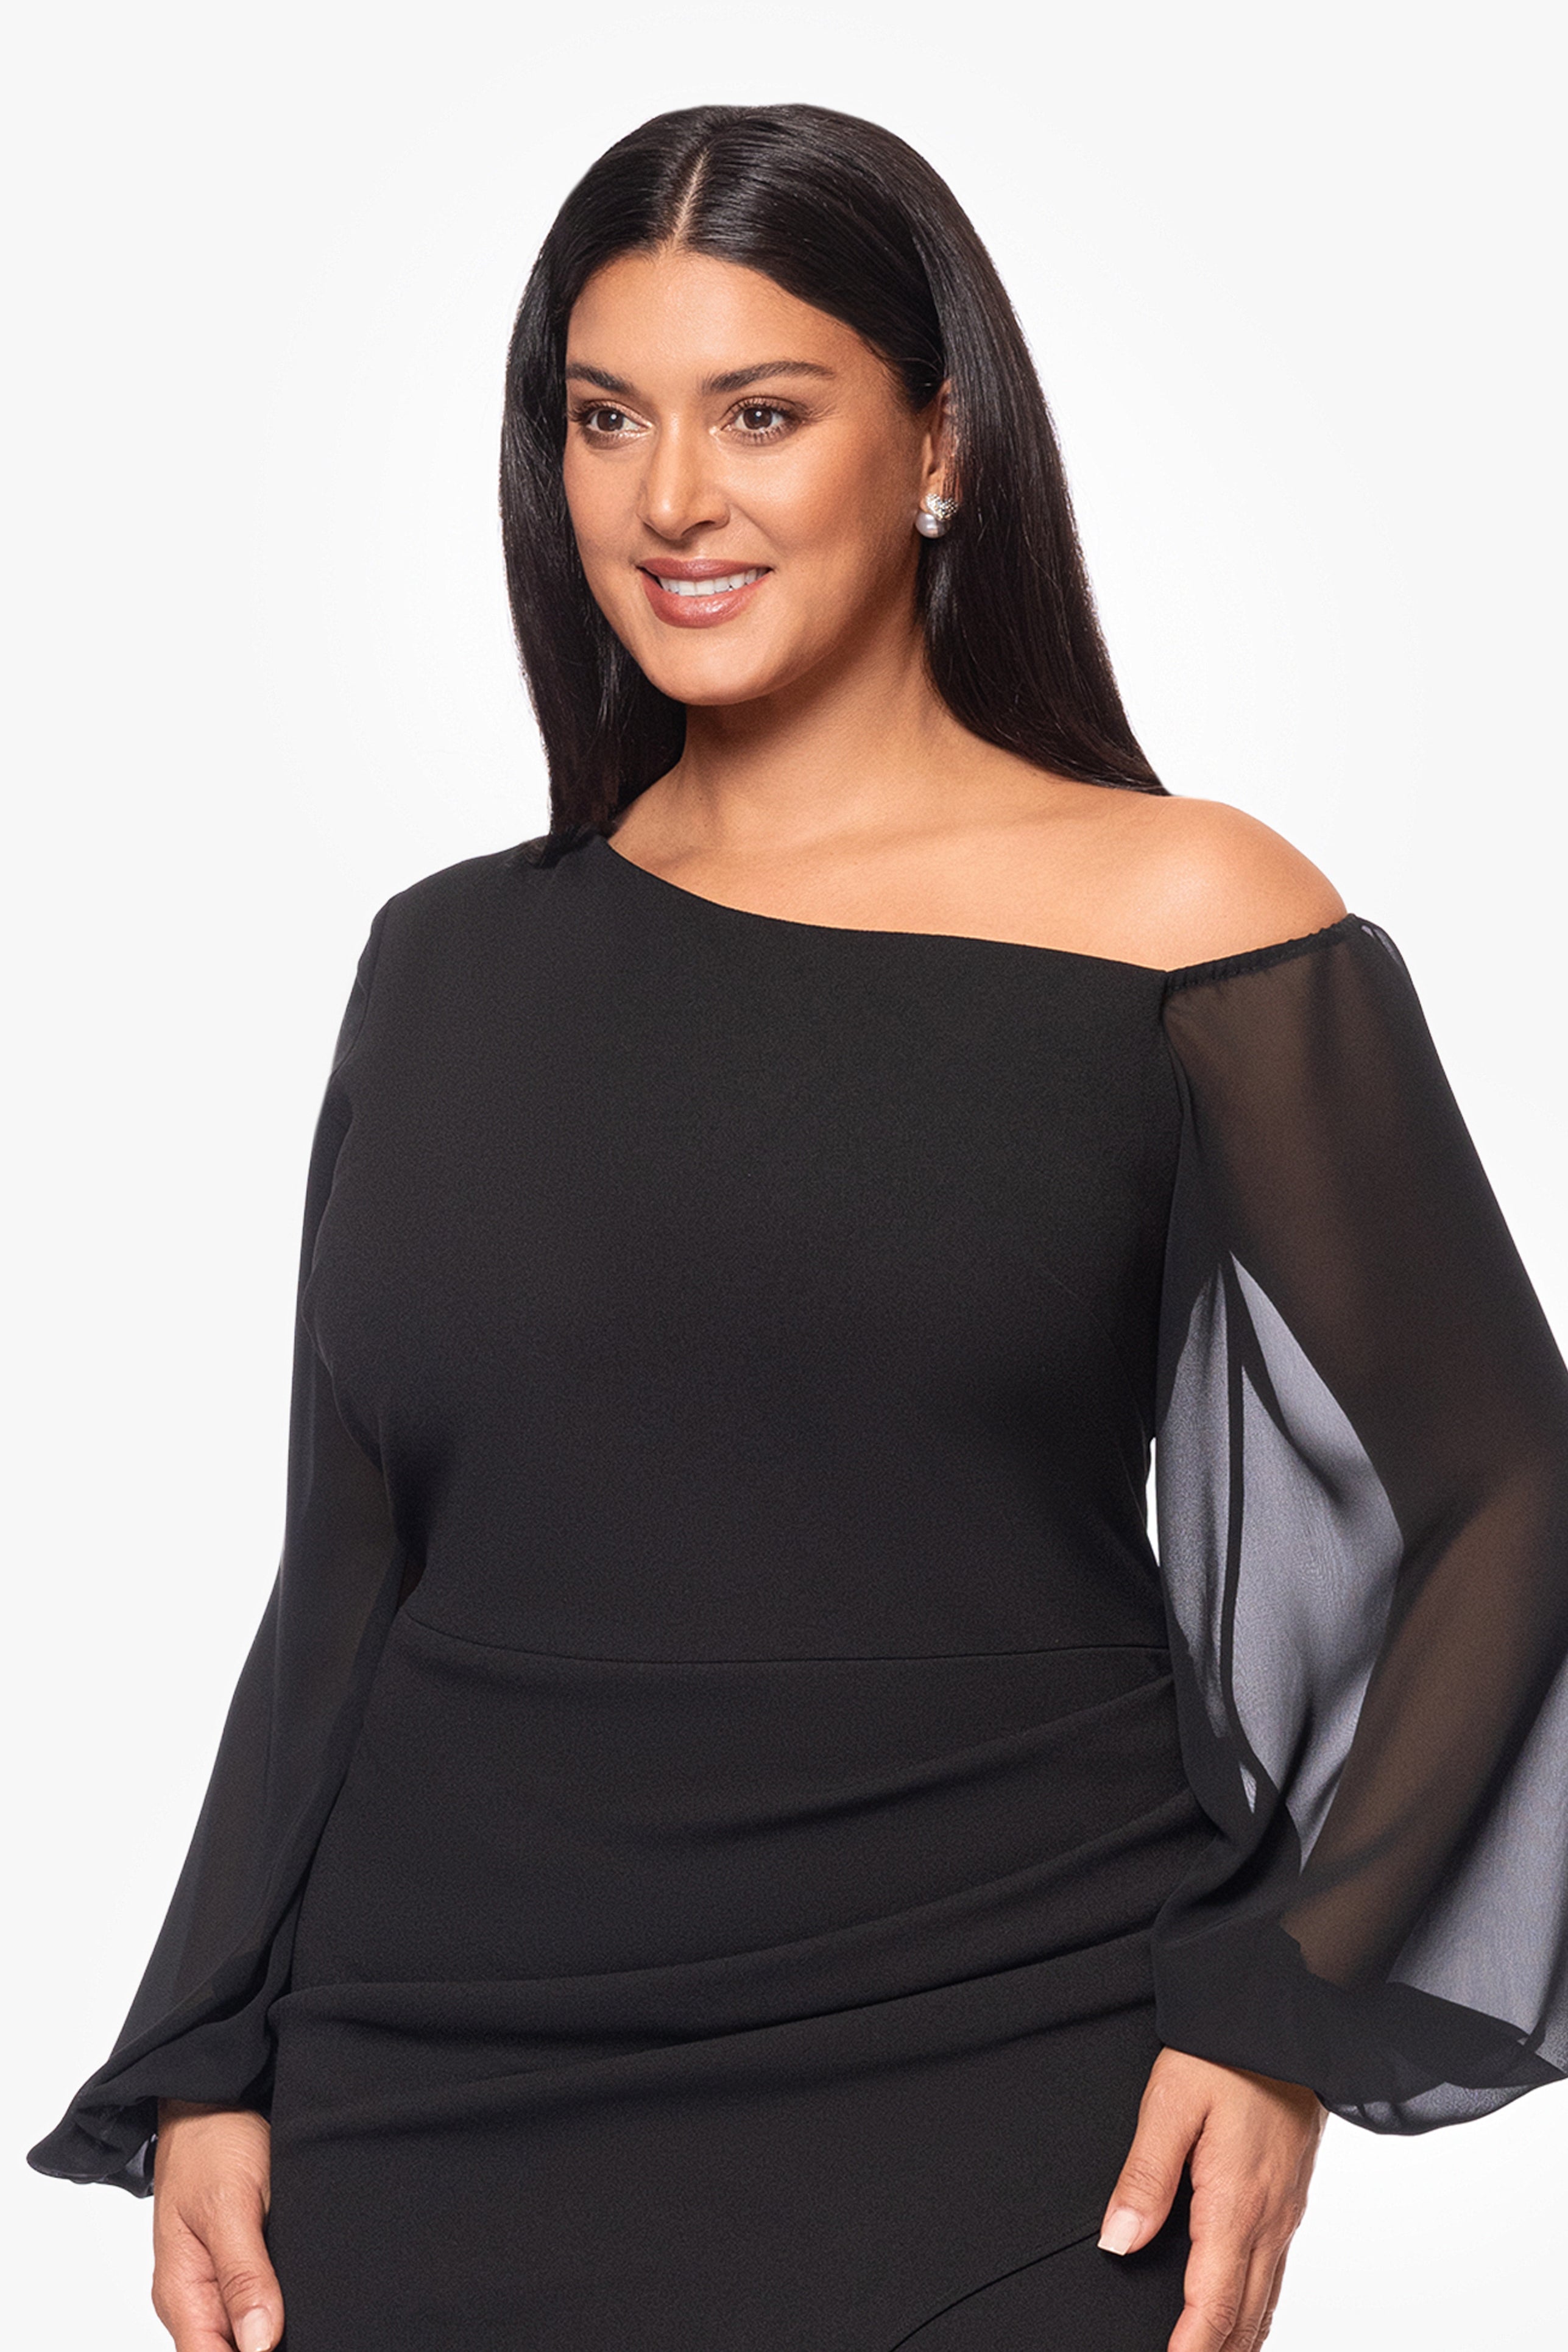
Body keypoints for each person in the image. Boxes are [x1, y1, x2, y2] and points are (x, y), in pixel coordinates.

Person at [28, 101, 1568, 2352]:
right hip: (426, 2102)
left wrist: (1282, 2009)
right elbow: (348, 1567)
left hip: (1008, 2087)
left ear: (937, 442)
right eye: (606, 418)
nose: (672, 498)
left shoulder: (1193, 921)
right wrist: (207, 2054)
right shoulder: (445, 964)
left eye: (761, 412)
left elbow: (1505, 1487)